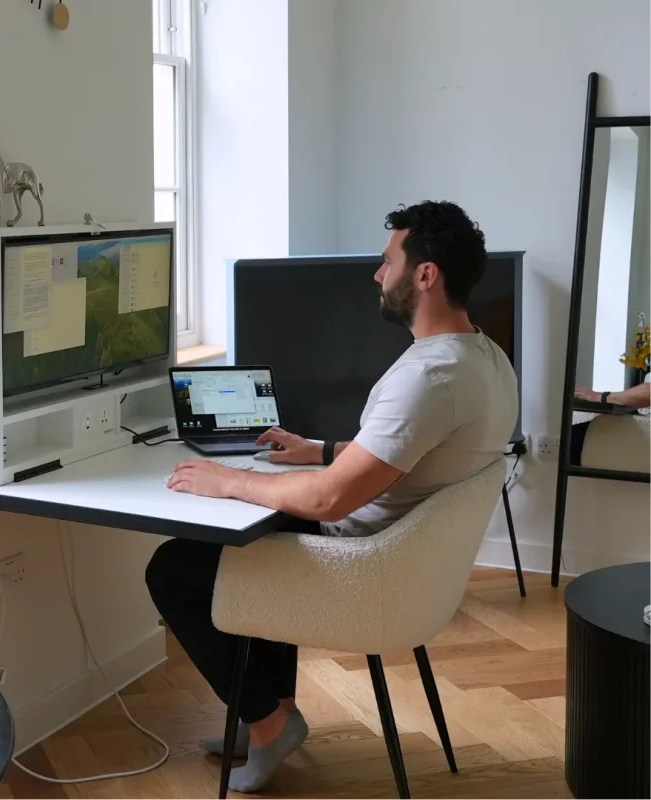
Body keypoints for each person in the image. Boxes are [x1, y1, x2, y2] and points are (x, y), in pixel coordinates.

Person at [145, 200, 519, 793]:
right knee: (253, 542)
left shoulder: (428, 377)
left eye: (386, 261)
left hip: (361, 561)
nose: (377, 274)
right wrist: (318, 449)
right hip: (404, 557)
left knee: (174, 568)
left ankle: (268, 722)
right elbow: (409, 456)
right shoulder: (487, 357)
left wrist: (228, 481)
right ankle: (270, 710)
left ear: (425, 275)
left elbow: (328, 504)